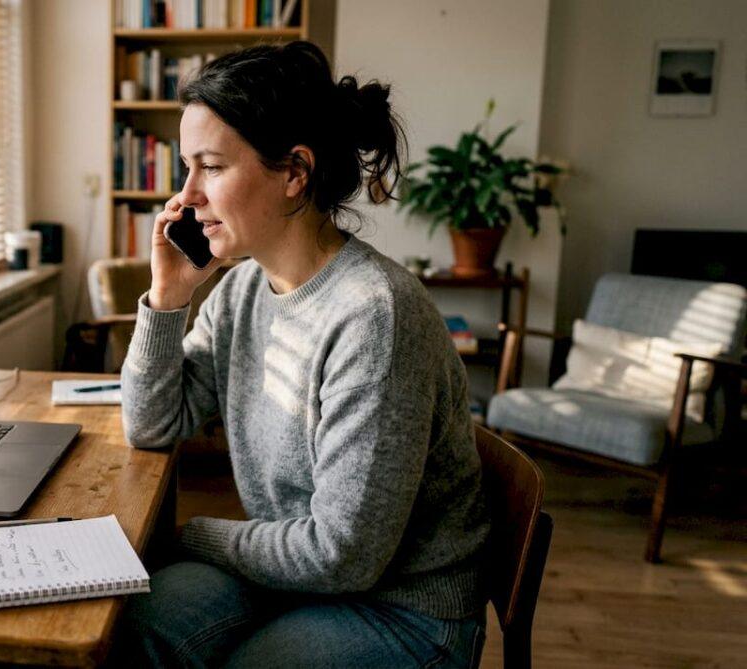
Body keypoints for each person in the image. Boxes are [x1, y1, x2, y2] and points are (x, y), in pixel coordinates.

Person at [115, 41, 491, 667]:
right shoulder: (240, 289)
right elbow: (152, 424)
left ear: (294, 173)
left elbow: (343, 553)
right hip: (299, 577)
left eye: (210, 167)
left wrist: (191, 537)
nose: (184, 198)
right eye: (187, 167)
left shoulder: (374, 316)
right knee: (128, 625)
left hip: (401, 609)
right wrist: (167, 299)